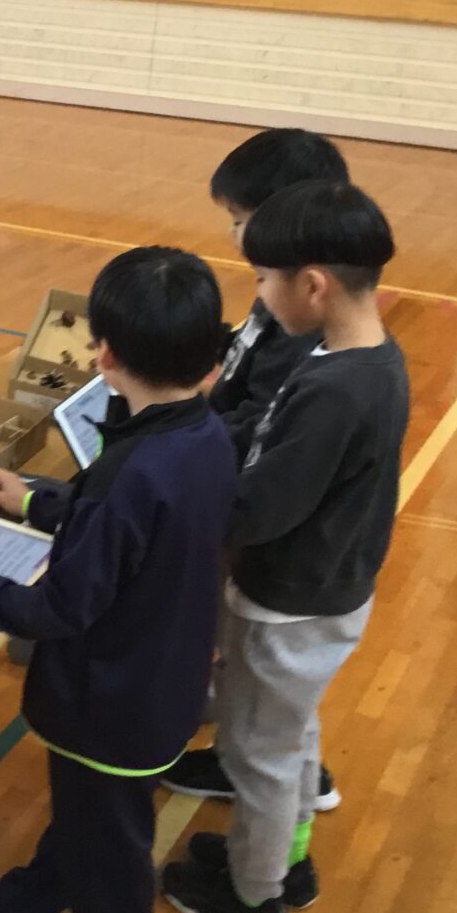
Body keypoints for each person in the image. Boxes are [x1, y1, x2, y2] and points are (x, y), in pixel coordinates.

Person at [0, 247, 237, 913]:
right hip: (157, 688)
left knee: (111, 856)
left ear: (103, 354)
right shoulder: (201, 435)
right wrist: (36, 501)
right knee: (93, 825)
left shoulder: (130, 472)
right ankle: (19, 912)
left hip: (108, 704)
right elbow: (131, 528)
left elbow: (57, 607)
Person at [161, 183, 409, 913]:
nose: (261, 295)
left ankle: (254, 897)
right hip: (327, 590)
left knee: (256, 754)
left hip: (287, 600)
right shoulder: (367, 356)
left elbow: (262, 509)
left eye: (266, 280)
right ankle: (283, 863)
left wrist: (180, 508)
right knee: (290, 733)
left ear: (312, 285)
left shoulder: (335, 390)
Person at [164, 127, 352, 816]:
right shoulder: (282, 292)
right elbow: (243, 370)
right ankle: (267, 757)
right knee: (265, 684)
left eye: (241, 223)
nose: (235, 237)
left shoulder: (304, 323)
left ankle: (272, 840)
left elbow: (259, 416)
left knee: (271, 685)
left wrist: (188, 438)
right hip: (237, 489)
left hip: (253, 519)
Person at [206, 129, 351, 457]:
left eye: (239, 220)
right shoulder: (280, 285)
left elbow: (256, 429)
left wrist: (178, 423)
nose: (231, 232)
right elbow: (246, 348)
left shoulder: (297, 325)